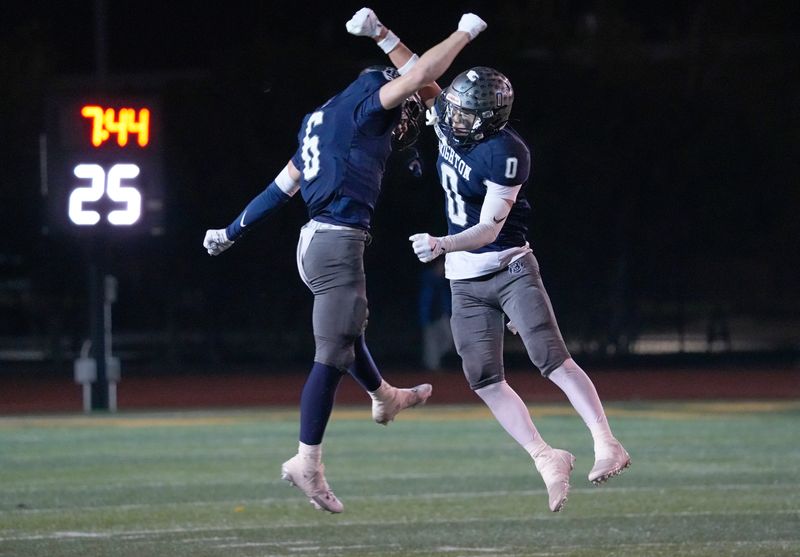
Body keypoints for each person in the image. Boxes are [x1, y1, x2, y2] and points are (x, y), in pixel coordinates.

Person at [203, 12, 487, 514]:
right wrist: (466, 31)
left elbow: (280, 188)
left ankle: (384, 396)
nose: (404, 126)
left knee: (346, 333)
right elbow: (422, 78)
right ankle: (306, 462)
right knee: (332, 351)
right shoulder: (368, 104)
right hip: (335, 242)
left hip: (314, 244)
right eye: (403, 117)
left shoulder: (320, 118)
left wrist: (230, 231)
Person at [349, 8, 629, 513]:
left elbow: (489, 229)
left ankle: (607, 441)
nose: (447, 114)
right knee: (483, 379)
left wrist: (441, 244)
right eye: (450, 106)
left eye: (460, 112)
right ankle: (546, 456)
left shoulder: (507, 152)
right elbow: (419, 70)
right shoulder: (452, 118)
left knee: (551, 359)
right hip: (465, 280)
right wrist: (381, 34)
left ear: (486, 120)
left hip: (509, 266)